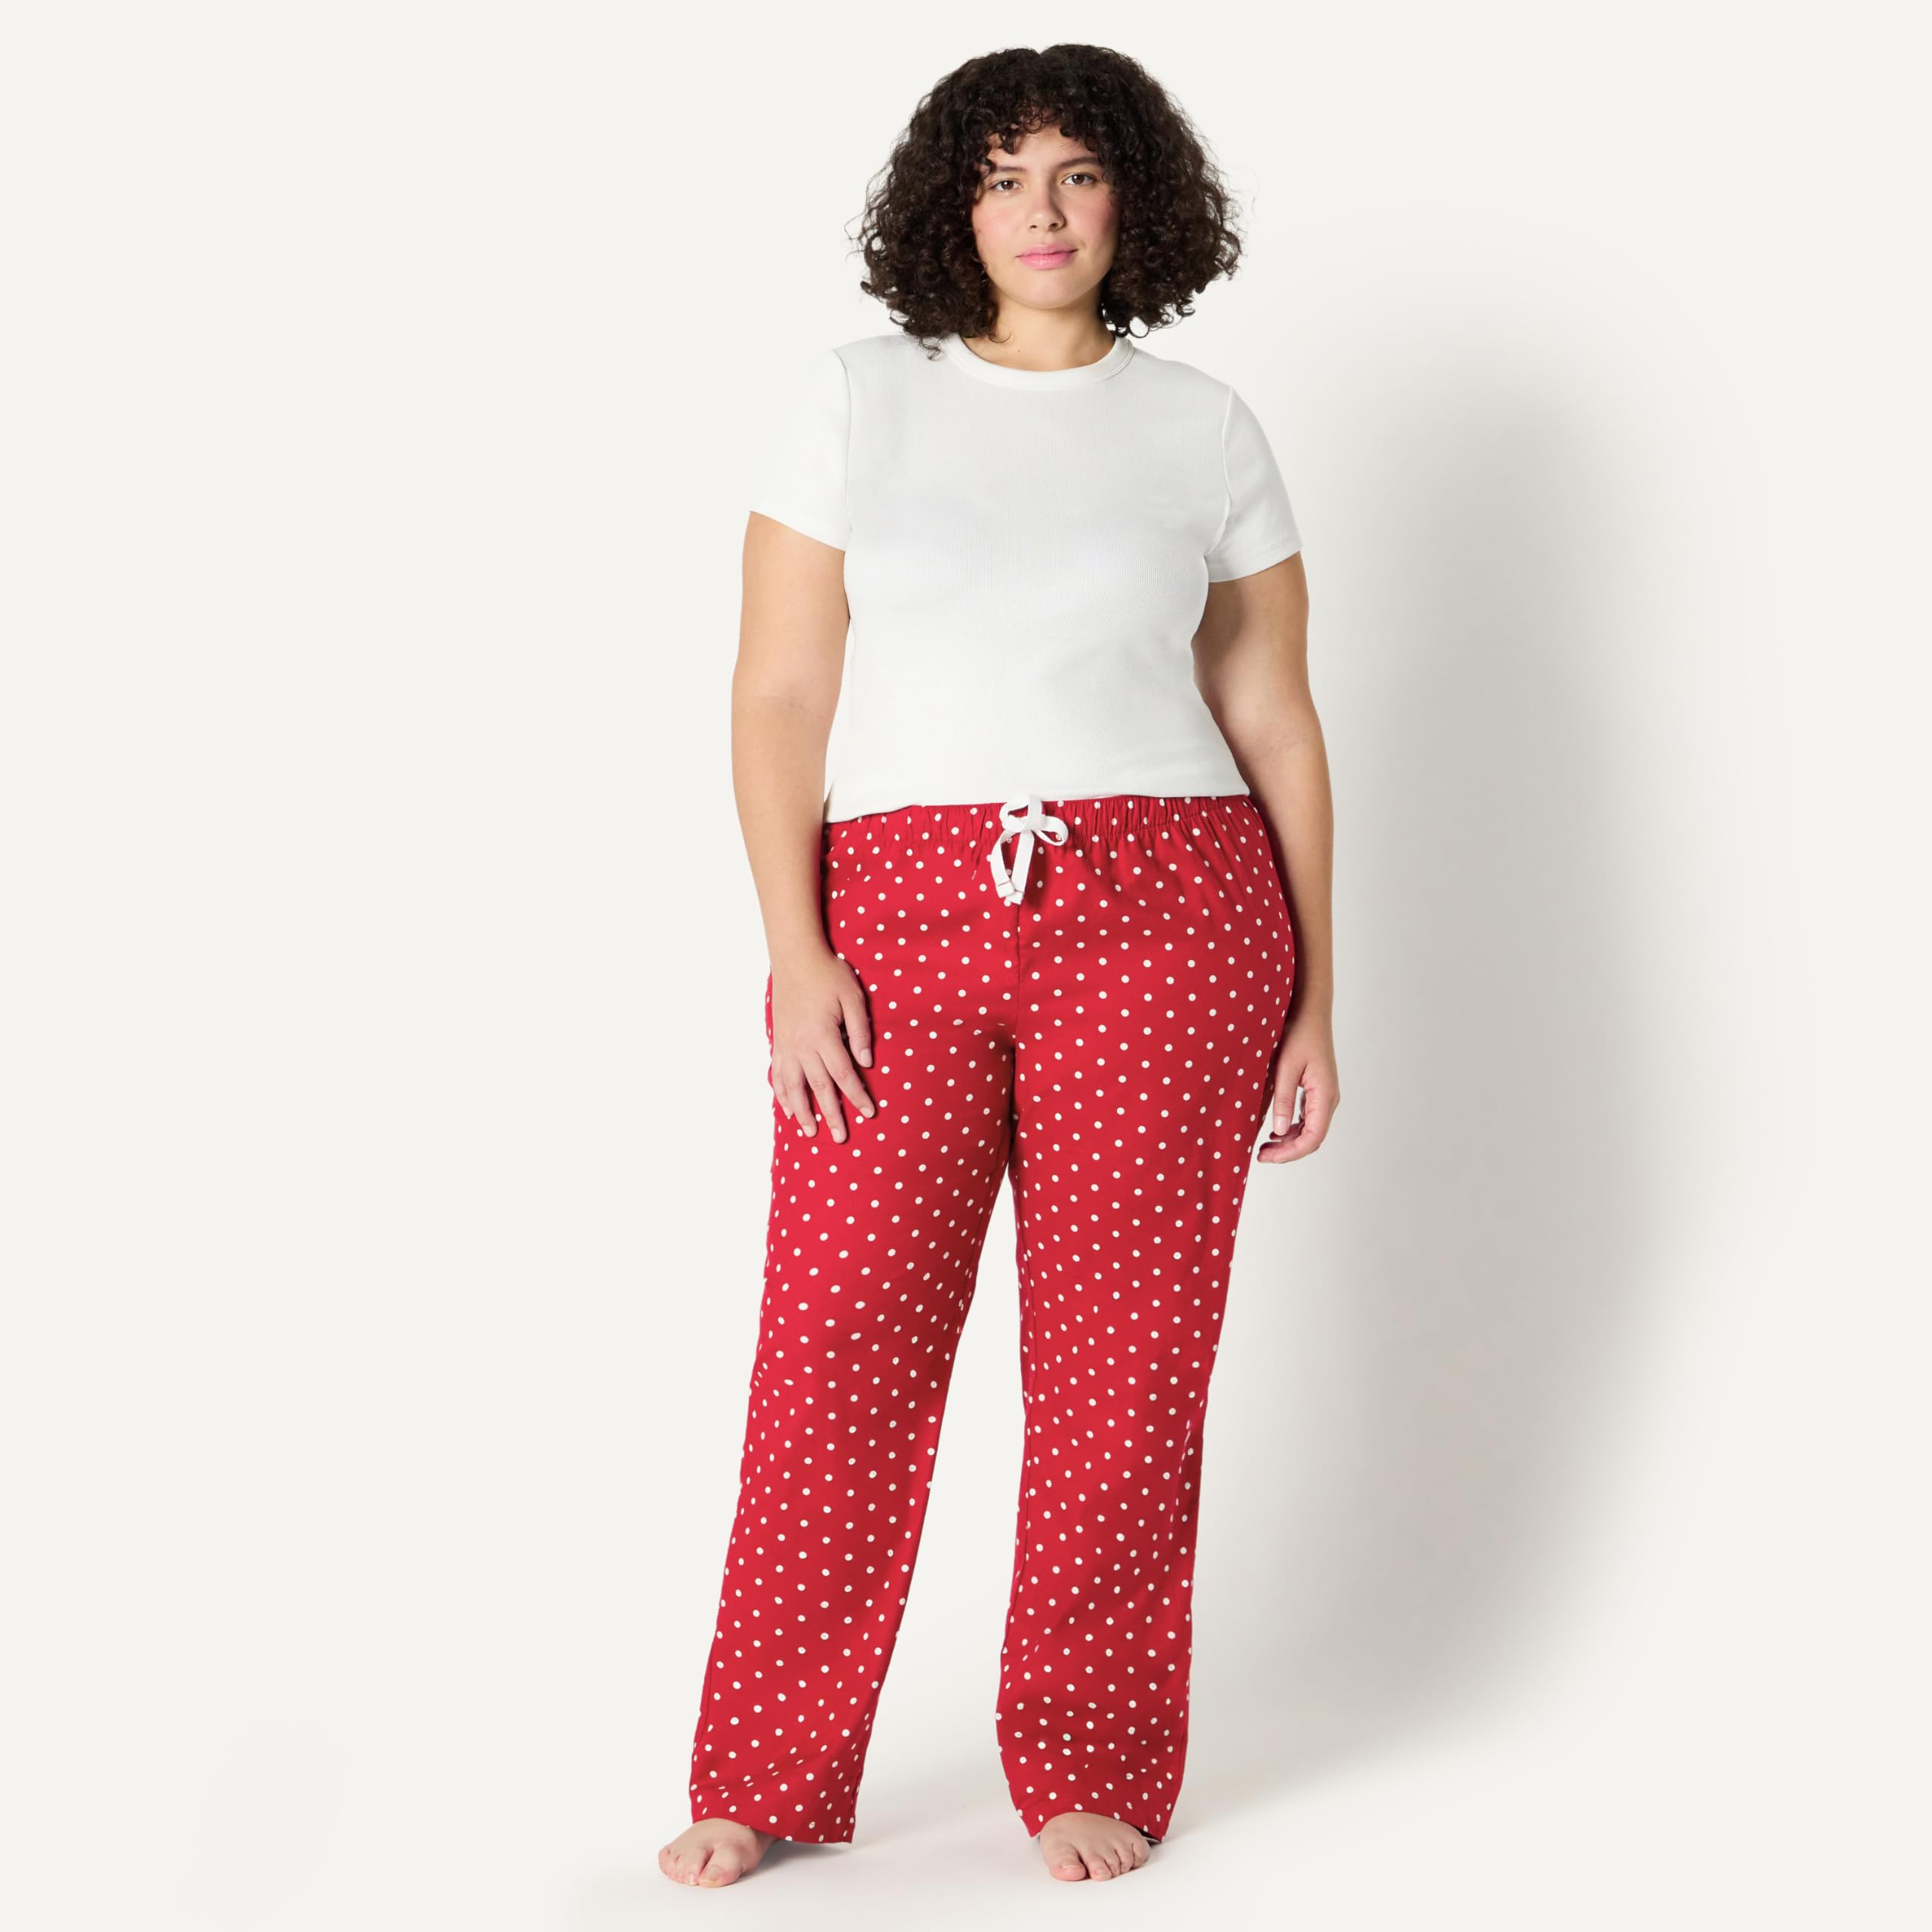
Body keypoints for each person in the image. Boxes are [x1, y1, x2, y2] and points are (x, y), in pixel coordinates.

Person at [660, 42, 1340, 1889]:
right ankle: (767, 1766)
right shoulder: (858, 399)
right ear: (947, 206)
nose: (1041, 211)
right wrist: (794, 949)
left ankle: (1090, 1758)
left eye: (1077, 173)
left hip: (1172, 908)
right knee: (836, 1341)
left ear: (1134, 199)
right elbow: (777, 692)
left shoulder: (1202, 428)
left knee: (1125, 1365)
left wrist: (1314, 993)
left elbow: (1272, 716)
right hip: (893, 908)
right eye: (1000, 175)